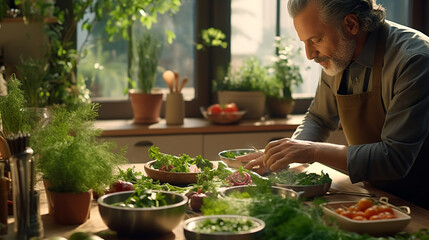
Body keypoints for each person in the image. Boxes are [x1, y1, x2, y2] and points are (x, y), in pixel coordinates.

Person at [242, 0, 429, 209]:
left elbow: (394, 158)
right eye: (305, 42)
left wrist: (311, 151)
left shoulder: (414, 60)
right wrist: (287, 154)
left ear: (350, 25)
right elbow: (318, 118)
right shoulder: (340, 55)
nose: (310, 54)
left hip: (421, 202)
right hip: (377, 195)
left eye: (316, 40)